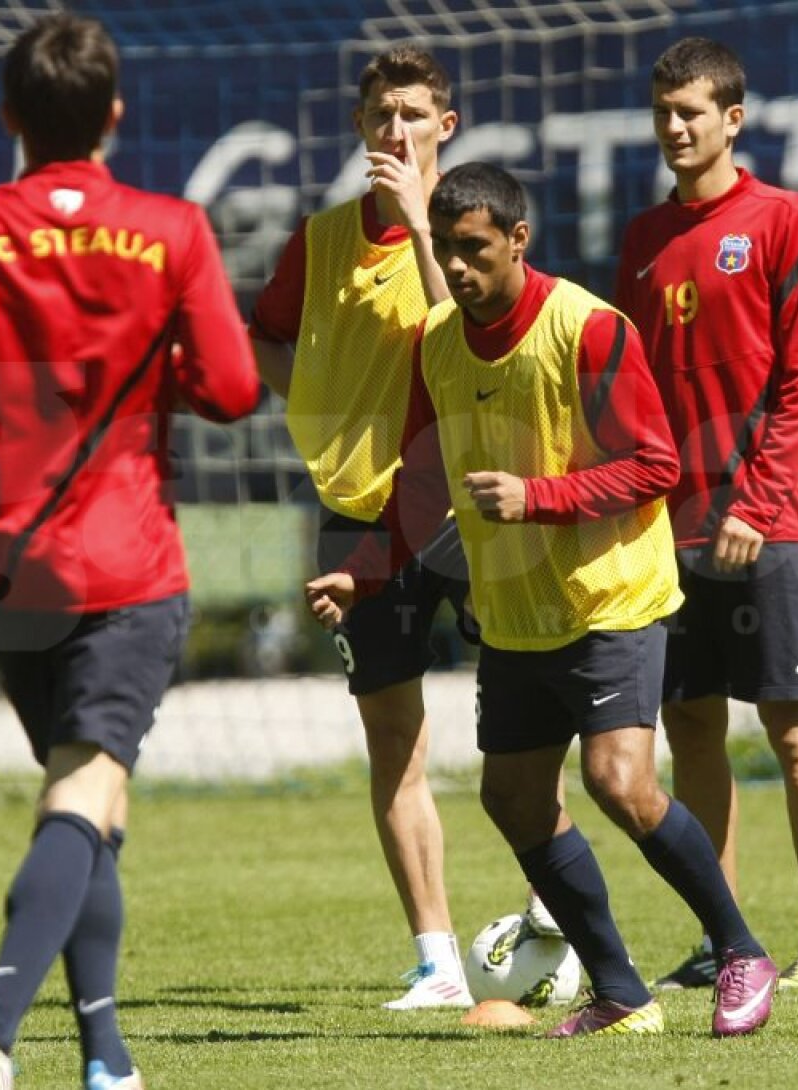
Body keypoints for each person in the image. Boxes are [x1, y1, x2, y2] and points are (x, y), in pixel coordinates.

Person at [307, 161, 778, 1037]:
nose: (456, 266)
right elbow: (418, 476)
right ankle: (620, 993)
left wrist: (539, 495)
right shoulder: (439, 341)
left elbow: (655, 465)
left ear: (518, 240)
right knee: (514, 798)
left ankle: (742, 950)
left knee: (620, 782)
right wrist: (366, 572)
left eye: (474, 248)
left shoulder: (588, 328)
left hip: (612, 598)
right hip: (518, 613)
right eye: (444, 249)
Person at [0, 14, 260, 1090]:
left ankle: (108, 1058)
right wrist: (163, 381)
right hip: (129, 563)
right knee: (83, 794)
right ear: (113, 114)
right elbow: (235, 389)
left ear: (8, 116)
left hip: (8, 562)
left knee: (88, 797)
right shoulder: (172, 229)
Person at [248, 45, 480, 1009]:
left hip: (465, 512)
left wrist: (427, 230)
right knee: (395, 739)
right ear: (359, 126)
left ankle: (555, 915)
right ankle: (437, 960)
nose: (396, 131)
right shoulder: (322, 238)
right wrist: (317, 398)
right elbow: (265, 335)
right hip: (354, 517)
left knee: (529, 722)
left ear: (446, 127)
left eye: (415, 115)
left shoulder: (476, 227)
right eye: (382, 114)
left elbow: (460, 332)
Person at [615, 37, 798, 992]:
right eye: (664, 112)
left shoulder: (789, 224)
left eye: (692, 113)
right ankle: (725, 941)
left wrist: (755, 500)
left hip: (771, 521)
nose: (675, 128)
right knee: (693, 729)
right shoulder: (640, 240)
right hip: (670, 530)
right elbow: (628, 388)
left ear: (733, 120)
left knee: (793, 731)